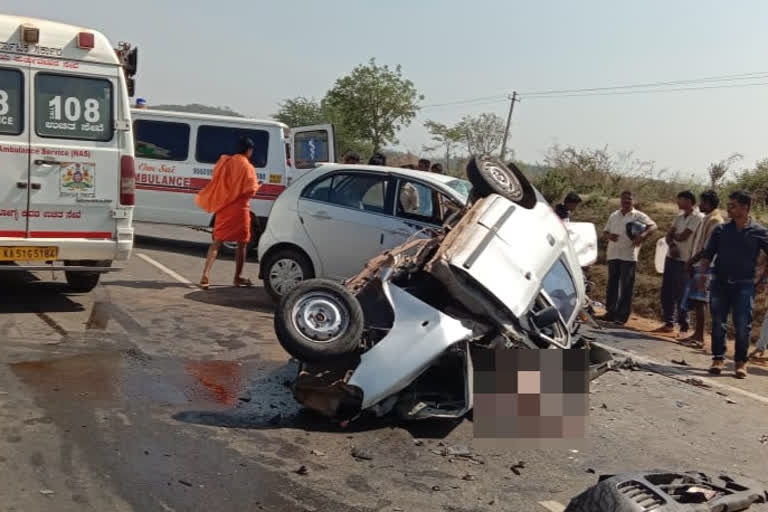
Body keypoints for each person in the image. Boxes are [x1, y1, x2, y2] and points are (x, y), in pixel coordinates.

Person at [688, 190, 768, 378]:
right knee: (718, 322)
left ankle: (740, 363)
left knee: (742, 324)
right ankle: (718, 359)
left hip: (745, 285)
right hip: (719, 283)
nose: (728, 209)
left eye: (732, 205)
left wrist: (763, 279)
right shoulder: (721, 230)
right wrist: (702, 277)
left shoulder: (759, 232)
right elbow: (708, 254)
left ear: (745, 207)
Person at [195, 136, 261, 290]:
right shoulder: (248, 167)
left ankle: (205, 274)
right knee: (242, 244)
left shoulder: (225, 161)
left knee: (216, 242)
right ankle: (237, 277)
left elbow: (217, 179)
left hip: (224, 206)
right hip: (240, 209)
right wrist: (258, 187)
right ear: (249, 150)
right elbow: (250, 190)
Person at [599, 190, 658, 325]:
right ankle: (610, 312)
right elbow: (605, 231)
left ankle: (622, 316)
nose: (626, 202)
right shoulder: (614, 215)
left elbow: (654, 226)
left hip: (629, 255)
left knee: (626, 286)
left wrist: (643, 236)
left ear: (633, 201)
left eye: (629, 199)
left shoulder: (638, 215)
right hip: (613, 253)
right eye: (624, 199)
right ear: (620, 200)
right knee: (612, 284)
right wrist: (610, 236)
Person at [679, 190, 724, 347]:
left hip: (707, 266)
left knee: (701, 301)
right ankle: (696, 334)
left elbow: (708, 248)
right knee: (697, 300)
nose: (700, 205)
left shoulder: (715, 221)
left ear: (709, 203)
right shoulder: (707, 219)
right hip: (700, 264)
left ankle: (700, 337)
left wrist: (692, 261)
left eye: (702, 202)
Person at [655, 191, 703, 334]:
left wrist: (673, 237)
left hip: (685, 260)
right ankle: (669, 322)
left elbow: (683, 236)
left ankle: (684, 325)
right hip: (672, 256)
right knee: (667, 290)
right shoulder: (679, 217)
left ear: (688, 201)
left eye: (680, 200)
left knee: (681, 293)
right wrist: (673, 245)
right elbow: (668, 236)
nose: (678, 203)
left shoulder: (697, 217)